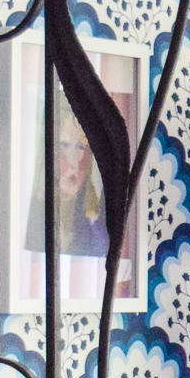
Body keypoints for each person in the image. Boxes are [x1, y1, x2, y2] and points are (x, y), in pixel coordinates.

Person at [25, 94, 108, 260]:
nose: (74, 162)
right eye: (64, 145)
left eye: (80, 147)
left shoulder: (95, 227)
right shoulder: (27, 218)